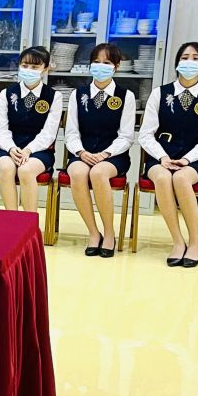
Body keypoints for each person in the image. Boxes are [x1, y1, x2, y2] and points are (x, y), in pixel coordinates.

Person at [139, 41, 198, 267]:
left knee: (182, 179)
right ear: (176, 63)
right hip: (161, 156)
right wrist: (163, 157)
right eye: (185, 58)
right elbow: (146, 134)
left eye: (196, 58)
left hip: (193, 159)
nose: (189, 62)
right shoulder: (160, 93)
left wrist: (187, 159)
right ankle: (177, 241)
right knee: (163, 178)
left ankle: (195, 242)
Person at [63, 42, 135, 258]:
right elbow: (71, 132)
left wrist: (105, 154)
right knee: (77, 173)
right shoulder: (78, 94)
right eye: (96, 62)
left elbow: (126, 136)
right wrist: (81, 152)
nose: (101, 66)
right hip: (82, 152)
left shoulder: (126, 96)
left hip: (113, 155)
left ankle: (109, 233)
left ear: (116, 67)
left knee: (98, 173)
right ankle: (94, 232)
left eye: (107, 62)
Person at [0, 46, 62, 214]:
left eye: (35, 67)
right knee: (5, 168)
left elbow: (49, 133)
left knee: (26, 170)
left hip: (39, 151)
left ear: (45, 69)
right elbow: (1, 129)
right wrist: (11, 148)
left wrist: (29, 150)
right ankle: (13, 219)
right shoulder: (6, 94)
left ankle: (30, 221)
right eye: (25, 65)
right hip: (9, 148)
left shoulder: (54, 96)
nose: (29, 70)